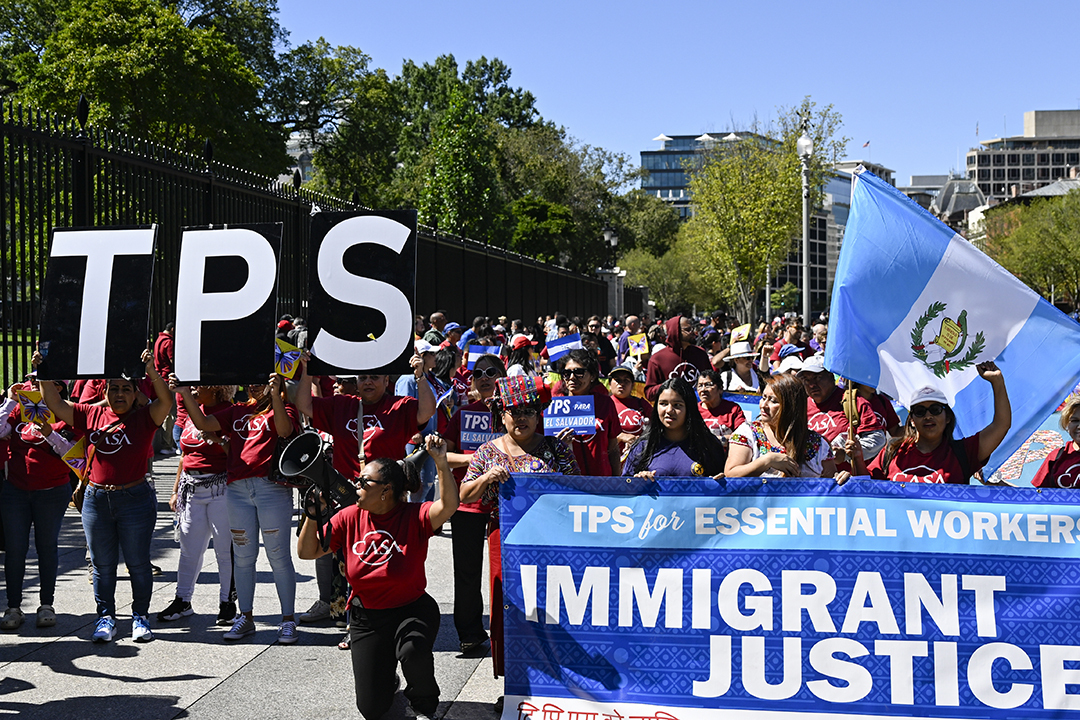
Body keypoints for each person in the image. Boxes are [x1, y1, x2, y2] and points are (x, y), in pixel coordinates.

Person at [298, 435, 458, 720]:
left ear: (386, 490)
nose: (356, 486)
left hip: (412, 609)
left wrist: (441, 463)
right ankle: (388, 684)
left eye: (364, 482)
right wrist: (313, 514)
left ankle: (424, 703)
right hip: (366, 618)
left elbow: (448, 506)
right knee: (371, 708)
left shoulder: (415, 515)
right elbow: (307, 552)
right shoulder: (348, 516)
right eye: (358, 480)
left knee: (413, 650)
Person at [36, 349, 173, 643]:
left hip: (135, 499)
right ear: (106, 390)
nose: (119, 394)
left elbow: (166, 401)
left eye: (126, 389)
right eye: (113, 388)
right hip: (97, 501)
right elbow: (56, 404)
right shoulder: (91, 413)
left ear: (136, 394)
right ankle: (106, 618)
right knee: (102, 564)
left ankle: (140, 617)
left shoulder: (145, 418)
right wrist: (44, 373)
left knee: (137, 562)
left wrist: (151, 369)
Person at [460, 376, 578, 679]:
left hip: (551, 542)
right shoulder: (487, 452)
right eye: (515, 411)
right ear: (503, 415)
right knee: (508, 606)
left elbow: (577, 490)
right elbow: (464, 494)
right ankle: (514, 684)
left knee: (552, 606)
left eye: (529, 410)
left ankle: (555, 680)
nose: (522, 417)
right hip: (505, 539)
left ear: (539, 415)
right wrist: (486, 478)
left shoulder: (556, 448)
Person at [176, 373, 300, 644]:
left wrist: (277, 396)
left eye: (261, 381)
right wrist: (185, 393)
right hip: (237, 490)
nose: (254, 386)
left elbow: (285, 430)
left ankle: (288, 620)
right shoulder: (236, 410)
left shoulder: (285, 408)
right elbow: (202, 422)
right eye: (251, 381)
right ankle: (246, 616)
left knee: (278, 555)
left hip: (271, 489)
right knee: (243, 557)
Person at [848, 363, 1011, 485]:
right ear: (911, 420)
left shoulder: (963, 452)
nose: (928, 416)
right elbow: (867, 487)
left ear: (947, 417)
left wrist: (997, 383)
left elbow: (1001, 425)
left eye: (935, 409)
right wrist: (858, 460)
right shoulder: (892, 451)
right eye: (920, 411)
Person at [155, 384, 237, 626]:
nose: (193, 388)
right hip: (191, 488)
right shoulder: (194, 411)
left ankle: (227, 602)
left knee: (224, 550)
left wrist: (217, 439)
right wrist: (174, 490)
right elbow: (183, 455)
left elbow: (237, 452)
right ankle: (183, 599)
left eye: (200, 385)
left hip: (220, 488)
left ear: (217, 389)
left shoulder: (228, 412)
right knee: (189, 549)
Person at [0, 376, 76, 631]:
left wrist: (48, 432)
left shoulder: (67, 412)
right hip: (15, 490)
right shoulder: (17, 409)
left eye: (42, 380)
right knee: (15, 549)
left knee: (47, 547)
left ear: (58, 387)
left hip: (52, 491)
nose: (33, 383)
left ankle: (46, 605)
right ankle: (13, 607)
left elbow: (72, 453)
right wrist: (10, 402)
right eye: (31, 378)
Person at [443, 354, 505, 653]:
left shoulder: (516, 413)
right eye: (477, 373)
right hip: (468, 503)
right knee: (466, 572)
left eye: (491, 372)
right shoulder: (463, 413)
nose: (484, 377)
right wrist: (479, 459)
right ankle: (469, 632)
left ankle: (507, 630)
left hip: (506, 505)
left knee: (506, 572)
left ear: (503, 376)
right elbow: (445, 455)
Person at [725, 374, 846, 480]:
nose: (763, 405)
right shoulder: (748, 433)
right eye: (763, 398)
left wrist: (842, 479)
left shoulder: (817, 443)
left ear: (791, 407)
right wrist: (767, 461)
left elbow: (831, 486)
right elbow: (731, 474)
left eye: (773, 401)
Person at [624, 377, 726, 478]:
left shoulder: (709, 445)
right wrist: (638, 482)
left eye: (677, 405)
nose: (669, 410)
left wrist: (720, 483)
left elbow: (727, 487)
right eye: (663, 404)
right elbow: (624, 488)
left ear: (689, 408)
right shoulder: (643, 447)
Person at [797, 355, 886, 468]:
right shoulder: (801, 406)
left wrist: (846, 454)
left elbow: (877, 439)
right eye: (806, 380)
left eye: (817, 378)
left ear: (830, 376)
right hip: (812, 481)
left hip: (847, 481)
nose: (812, 384)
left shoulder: (853, 401)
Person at [556, 349, 621, 476]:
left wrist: (617, 481)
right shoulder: (554, 407)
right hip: (567, 485)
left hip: (602, 483)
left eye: (579, 372)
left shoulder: (605, 404)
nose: (572, 377)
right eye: (566, 373)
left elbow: (613, 449)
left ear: (592, 376)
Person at [644, 315, 713, 402]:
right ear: (675, 332)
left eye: (692, 329)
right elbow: (649, 393)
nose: (693, 332)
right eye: (688, 330)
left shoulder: (700, 353)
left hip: (699, 411)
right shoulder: (657, 359)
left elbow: (712, 381)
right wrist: (670, 385)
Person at [1032, 395, 1080, 488]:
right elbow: (1040, 495)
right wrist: (1000, 484)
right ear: (1066, 423)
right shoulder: (1056, 457)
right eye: (1075, 421)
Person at [607, 365, 651, 457]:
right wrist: (620, 437)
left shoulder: (642, 404)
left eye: (626, 381)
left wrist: (640, 441)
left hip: (640, 458)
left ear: (632, 385)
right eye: (617, 380)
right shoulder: (603, 405)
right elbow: (597, 434)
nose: (621, 384)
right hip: (612, 460)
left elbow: (658, 428)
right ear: (610, 384)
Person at [696, 370, 746, 446]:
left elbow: (742, 436)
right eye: (700, 385)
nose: (703, 389)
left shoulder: (733, 409)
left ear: (720, 389)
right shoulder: (693, 410)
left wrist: (719, 440)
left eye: (708, 385)